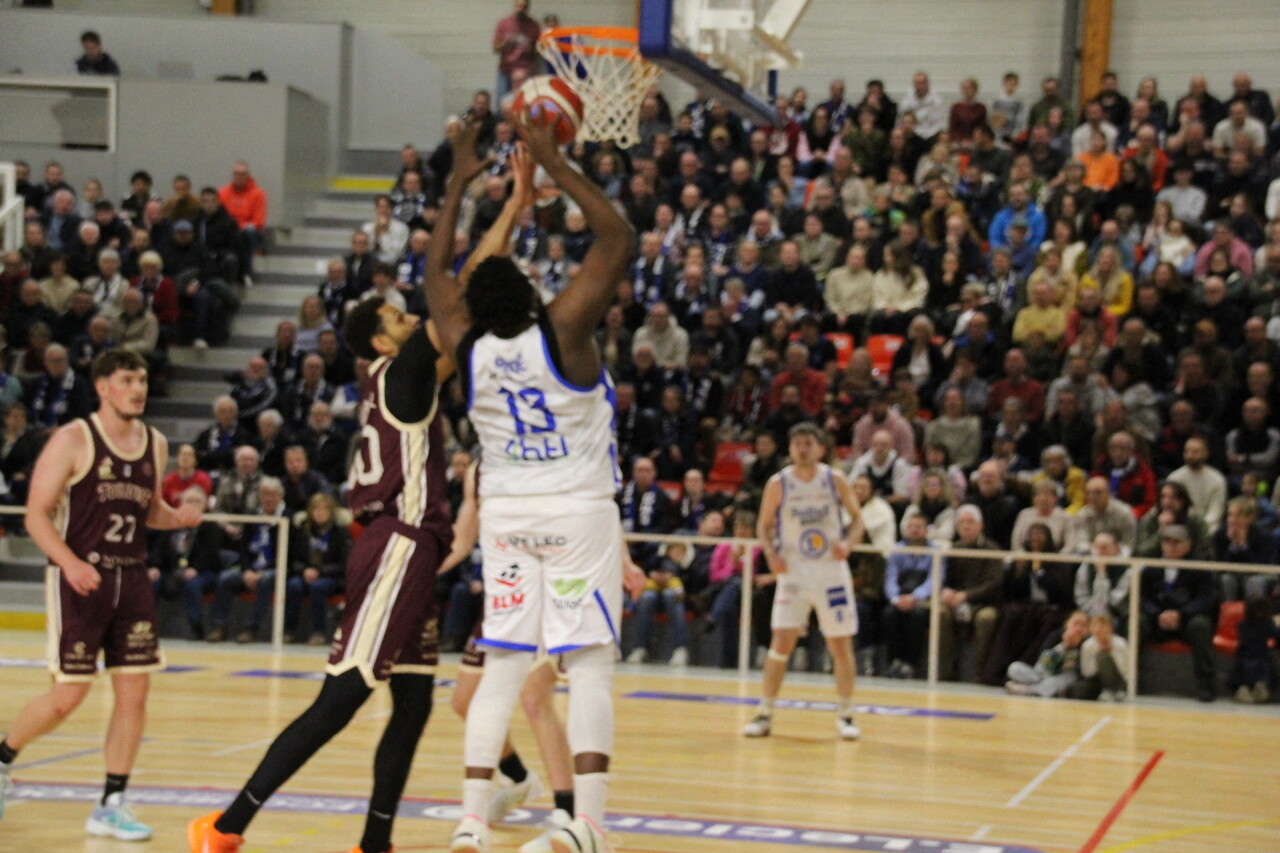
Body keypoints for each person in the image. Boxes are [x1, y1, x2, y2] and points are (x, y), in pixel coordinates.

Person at [427, 122, 633, 853]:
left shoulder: (464, 342)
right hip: (576, 514)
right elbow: (617, 238)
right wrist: (555, 163)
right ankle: (590, 826)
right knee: (589, 665)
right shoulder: (564, 330)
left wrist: (459, 182)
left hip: (508, 521)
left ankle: (471, 820)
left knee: (503, 670)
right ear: (533, 293)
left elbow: (440, 272)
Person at [188, 297, 455, 853]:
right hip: (397, 545)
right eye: (397, 318)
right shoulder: (401, 371)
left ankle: (374, 842)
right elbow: (455, 314)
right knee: (342, 698)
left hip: (412, 547)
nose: (410, 319)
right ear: (382, 343)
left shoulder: (404, 378)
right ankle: (225, 827)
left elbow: (452, 338)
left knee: (414, 701)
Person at [0, 350, 202, 837]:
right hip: (80, 579)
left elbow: (148, 510)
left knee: (134, 691)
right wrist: (69, 563)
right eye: (128, 379)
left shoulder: (153, 442)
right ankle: (3, 758)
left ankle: (112, 801)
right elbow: (35, 515)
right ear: (103, 387)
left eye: (143, 379)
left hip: (131, 579)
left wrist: (175, 518)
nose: (139, 388)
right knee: (68, 695)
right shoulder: (73, 439)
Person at [743, 422, 865, 740]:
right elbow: (763, 525)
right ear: (790, 449)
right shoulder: (778, 483)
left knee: (840, 644)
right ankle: (765, 712)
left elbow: (858, 522)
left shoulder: (834, 479)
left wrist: (848, 544)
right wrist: (769, 552)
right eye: (796, 443)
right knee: (780, 642)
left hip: (830, 572)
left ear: (820, 448)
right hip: (794, 572)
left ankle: (847, 714)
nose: (802, 448)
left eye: (808, 443)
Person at [1139, 524, 1217, 702]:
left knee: (1201, 625)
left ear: (1188, 546)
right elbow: (1142, 598)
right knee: (1136, 622)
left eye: (1177, 542)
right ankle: (1130, 679)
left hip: (1185, 621)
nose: (1171, 546)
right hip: (1157, 620)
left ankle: (1205, 683)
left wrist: (1181, 613)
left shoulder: (1199, 568)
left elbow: (1206, 599)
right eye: (1167, 542)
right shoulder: (1150, 568)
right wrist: (1158, 614)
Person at [217, 162, 268, 285]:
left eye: (242, 174)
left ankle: (246, 272)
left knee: (247, 232)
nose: (239, 177)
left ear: (248, 175)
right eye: (236, 174)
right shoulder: (222, 193)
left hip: (250, 233)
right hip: (229, 231)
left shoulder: (258, 194)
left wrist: (240, 227)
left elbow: (258, 222)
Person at [492, 0, 542, 101]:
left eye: (524, 7)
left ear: (528, 8)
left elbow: (539, 52)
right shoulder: (503, 23)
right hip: (505, 71)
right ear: (515, 5)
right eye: (519, 6)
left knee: (524, 103)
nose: (521, 9)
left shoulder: (534, 26)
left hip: (524, 72)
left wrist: (531, 48)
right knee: (502, 106)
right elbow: (495, 49)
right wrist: (504, 43)